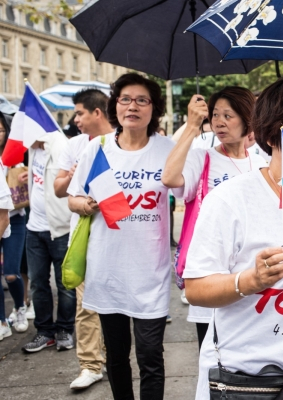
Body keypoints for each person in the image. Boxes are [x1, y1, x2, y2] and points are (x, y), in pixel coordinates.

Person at [183, 77, 283, 399]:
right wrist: (250, 280)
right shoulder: (231, 198)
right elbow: (196, 288)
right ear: (273, 133)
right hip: (244, 380)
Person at [67, 73, 174, 399]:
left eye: (142, 100)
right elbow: (73, 197)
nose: (133, 106)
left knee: (150, 355)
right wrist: (86, 204)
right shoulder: (97, 150)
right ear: (115, 105)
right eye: (125, 99)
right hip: (108, 269)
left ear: (153, 108)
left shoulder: (167, 150)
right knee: (116, 356)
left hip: (150, 272)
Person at [162, 86, 267, 348]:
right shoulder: (202, 158)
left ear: (248, 119)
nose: (219, 122)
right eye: (216, 115)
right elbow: (169, 179)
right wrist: (191, 126)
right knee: (213, 363)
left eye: (228, 116)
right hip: (212, 278)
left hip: (256, 280)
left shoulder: (262, 162)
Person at [54, 89, 112, 390]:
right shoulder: (75, 145)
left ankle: (113, 358)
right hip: (84, 237)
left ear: (97, 113)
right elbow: (60, 190)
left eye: (79, 113)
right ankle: (90, 365)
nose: (75, 119)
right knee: (86, 304)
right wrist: (73, 178)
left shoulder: (123, 142)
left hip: (119, 239)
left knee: (116, 307)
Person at [21, 121, 74, 354]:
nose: (22, 142)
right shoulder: (33, 150)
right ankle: (44, 332)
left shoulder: (60, 145)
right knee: (38, 282)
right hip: (34, 228)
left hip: (59, 228)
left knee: (65, 284)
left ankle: (65, 329)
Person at [0, 111, 28, 338]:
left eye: (0, 129)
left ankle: (20, 307)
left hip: (15, 220)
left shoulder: (15, 159)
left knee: (10, 272)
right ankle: (1, 322)